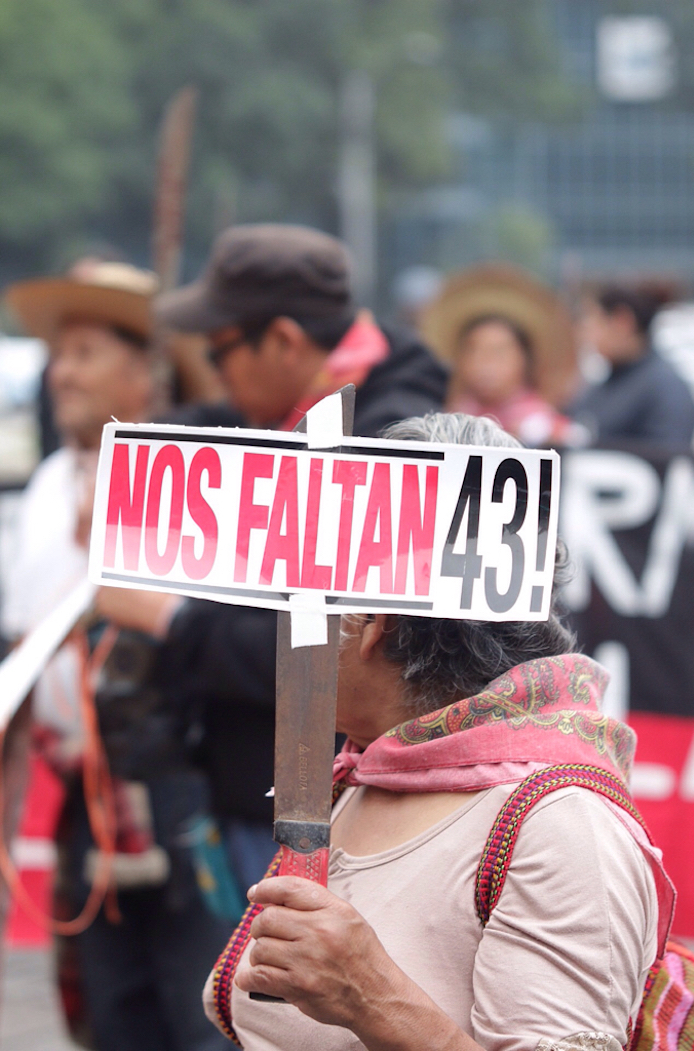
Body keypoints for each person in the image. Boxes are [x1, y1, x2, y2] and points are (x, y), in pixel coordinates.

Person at [203, 411, 673, 1051]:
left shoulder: (563, 826)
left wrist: (373, 1000)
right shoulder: (366, 773)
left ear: (375, 622)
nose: (282, 632)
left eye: (302, 598)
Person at [95, 223, 449, 896]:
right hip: (257, 783)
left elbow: (342, 644)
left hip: (325, 810)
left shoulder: (390, 450)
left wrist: (172, 616)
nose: (217, 374)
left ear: (284, 340)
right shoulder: (297, 415)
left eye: (220, 349)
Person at [1, 263, 230, 1051]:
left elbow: (211, 635)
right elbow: (25, 662)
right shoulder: (46, 487)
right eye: (58, 354)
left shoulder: (200, 474)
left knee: (202, 1013)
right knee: (111, 1017)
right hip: (80, 800)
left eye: (86, 352)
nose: (61, 372)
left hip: (177, 783)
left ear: (146, 370)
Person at [568, 285, 694, 446]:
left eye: (593, 322)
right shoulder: (608, 379)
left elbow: (666, 457)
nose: (586, 334)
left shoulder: (666, 387)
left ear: (622, 322)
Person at [447, 313, 584, 446]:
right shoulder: (452, 417)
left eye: (498, 353)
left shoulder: (542, 422)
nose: (485, 364)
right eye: (474, 352)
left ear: (524, 360)